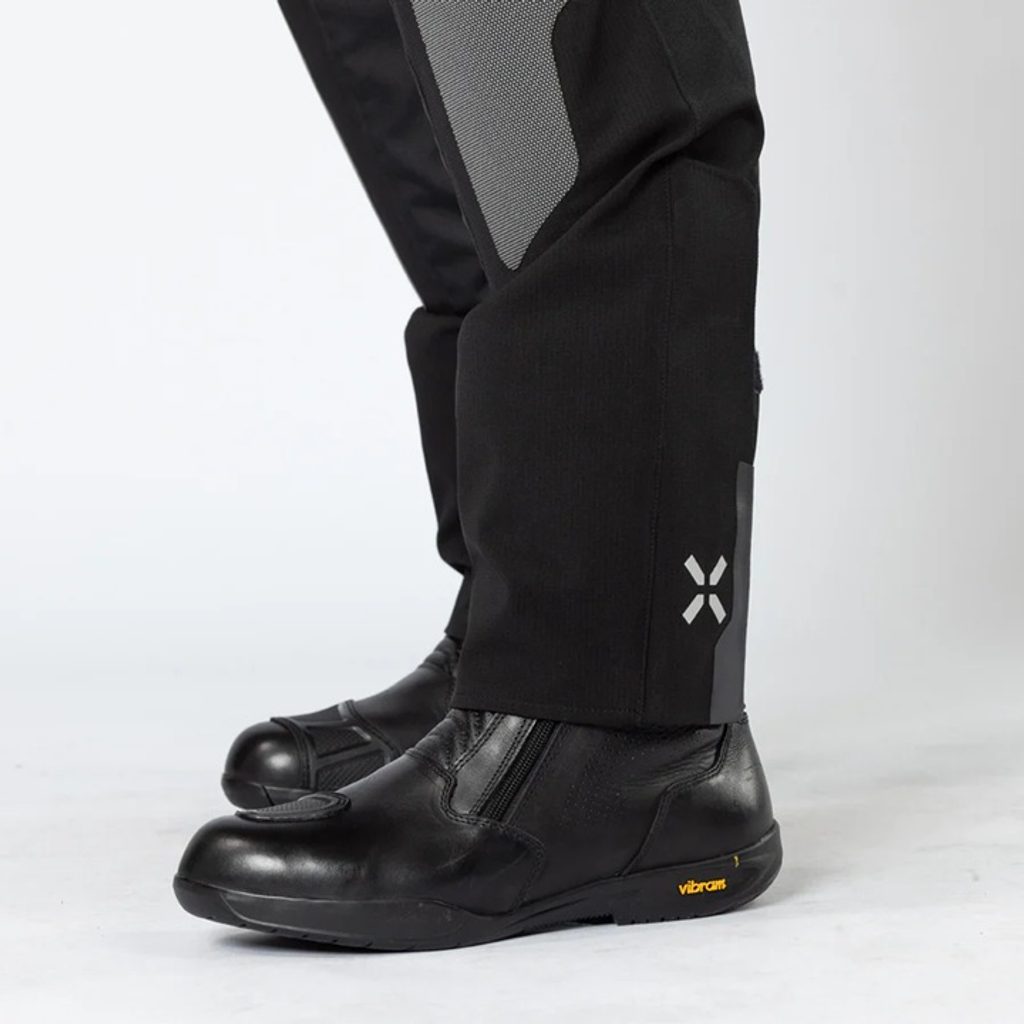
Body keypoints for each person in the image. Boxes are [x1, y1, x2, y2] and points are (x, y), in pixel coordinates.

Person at [174, 0, 780, 950]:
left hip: (629, 707)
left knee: (593, 57)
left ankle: (623, 717)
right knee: (448, 74)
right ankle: (518, 628)